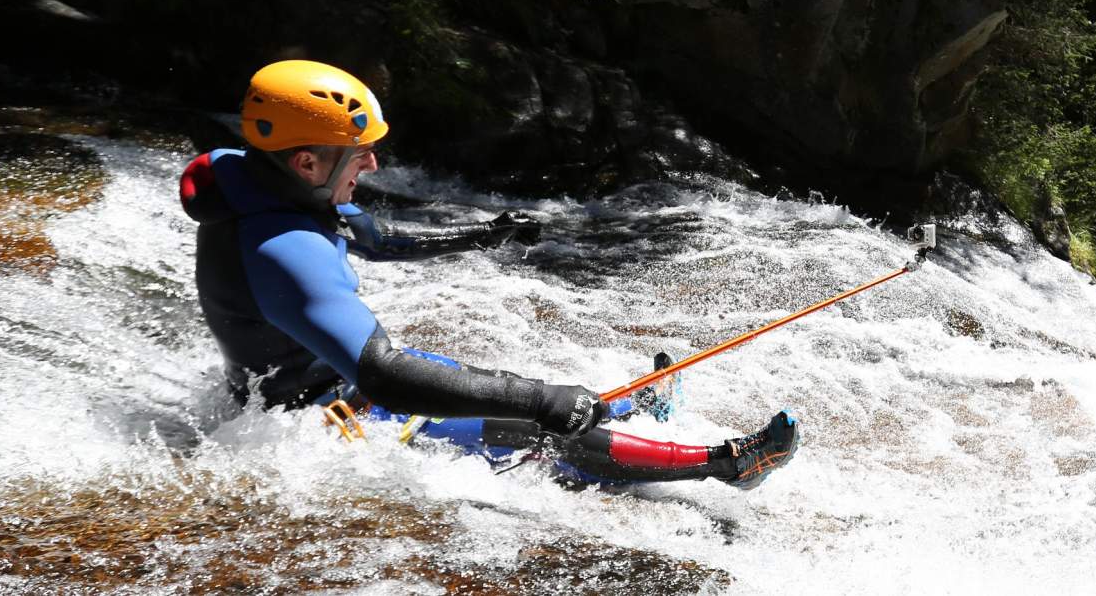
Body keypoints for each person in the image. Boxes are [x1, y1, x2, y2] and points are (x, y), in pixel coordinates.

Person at [178, 59, 798, 488]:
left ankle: (635, 408)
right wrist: (542, 401)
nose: (371, 162)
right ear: (308, 160)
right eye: (358, 152)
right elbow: (385, 375)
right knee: (538, 425)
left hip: (344, 382)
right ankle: (729, 466)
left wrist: (485, 233)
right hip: (319, 418)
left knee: (546, 403)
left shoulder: (268, 179)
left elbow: (377, 239)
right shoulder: (280, 246)